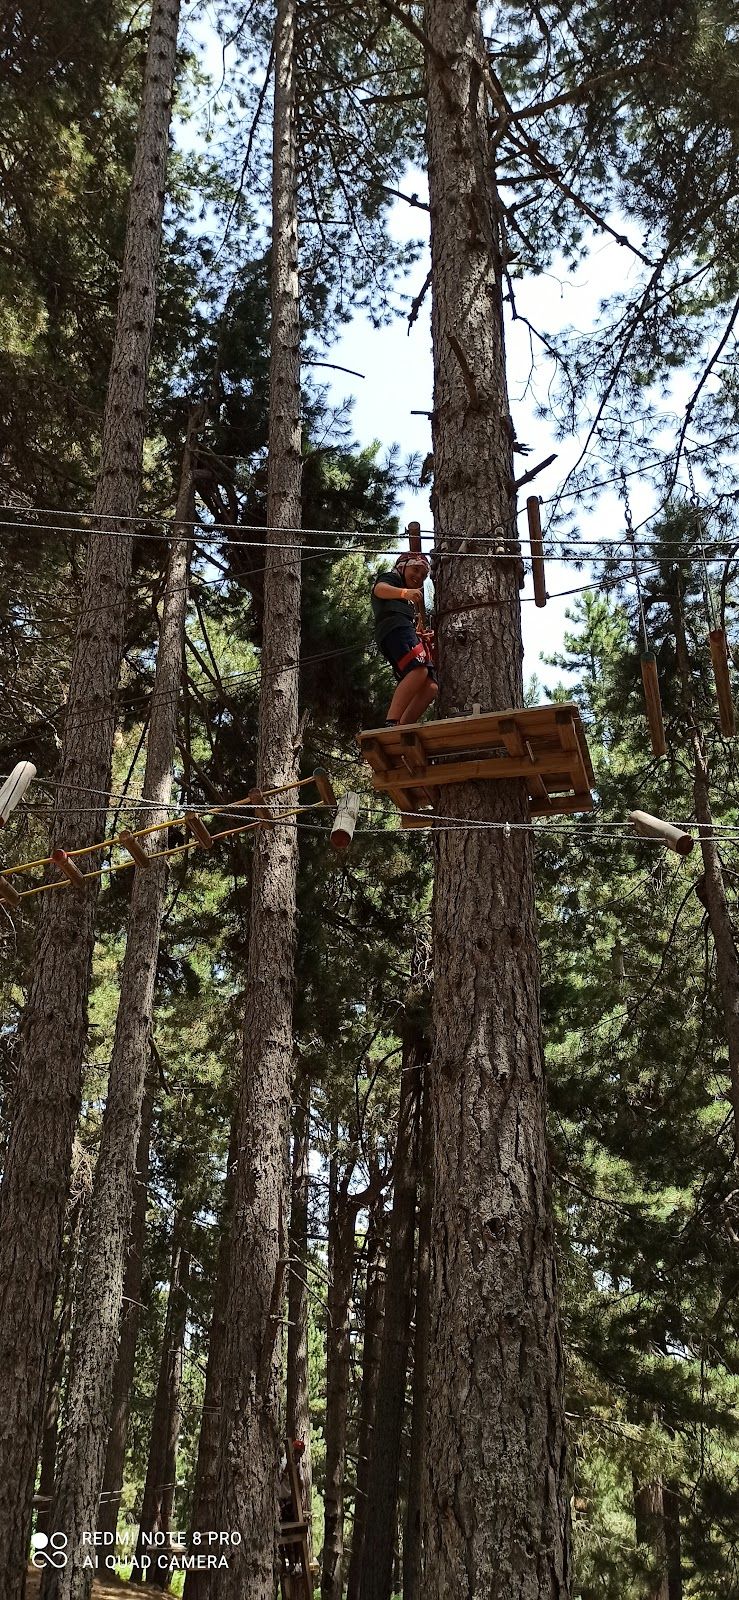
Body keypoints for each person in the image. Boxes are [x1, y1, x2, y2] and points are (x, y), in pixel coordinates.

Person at [371, 552, 438, 727]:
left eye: (423, 575)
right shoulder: (391, 578)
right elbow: (379, 589)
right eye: (415, 570)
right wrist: (404, 593)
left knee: (430, 687)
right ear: (402, 566)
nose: (418, 577)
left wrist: (420, 636)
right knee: (418, 670)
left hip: (401, 630)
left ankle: (402, 727)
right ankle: (392, 722)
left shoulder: (405, 600)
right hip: (394, 628)